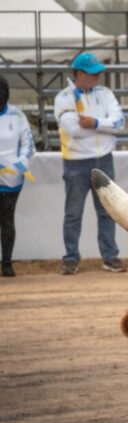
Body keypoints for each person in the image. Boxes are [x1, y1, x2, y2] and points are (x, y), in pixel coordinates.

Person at [54, 52, 125, 275]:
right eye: (94, 73)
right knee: (73, 212)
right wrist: (105, 126)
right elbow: (72, 128)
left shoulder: (105, 94)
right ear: (80, 74)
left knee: (107, 211)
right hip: (76, 162)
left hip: (103, 159)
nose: (98, 76)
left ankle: (110, 256)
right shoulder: (63, 97)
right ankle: (71, 258)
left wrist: (93, 122)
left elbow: (120, 123)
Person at [0, 74, 35, 277]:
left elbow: (28, 144)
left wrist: (21, 164)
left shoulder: (17, 115)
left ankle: (7, 263)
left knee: (6, 221)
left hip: (11, 180)